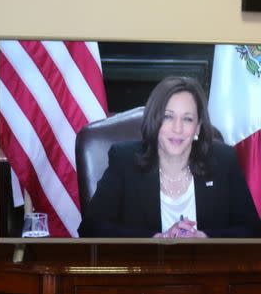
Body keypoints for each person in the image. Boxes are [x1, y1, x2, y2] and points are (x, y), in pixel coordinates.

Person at [78, 76, 261, 238]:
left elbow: (252, 230)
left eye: (187, 119)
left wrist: (206, 238)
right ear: (155, 122)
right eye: (168, 117)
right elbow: (90, 228)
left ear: (197, 127)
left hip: (207, 274)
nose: (178, 128)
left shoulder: (223, 160)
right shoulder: (124, 160)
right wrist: (155, 239)